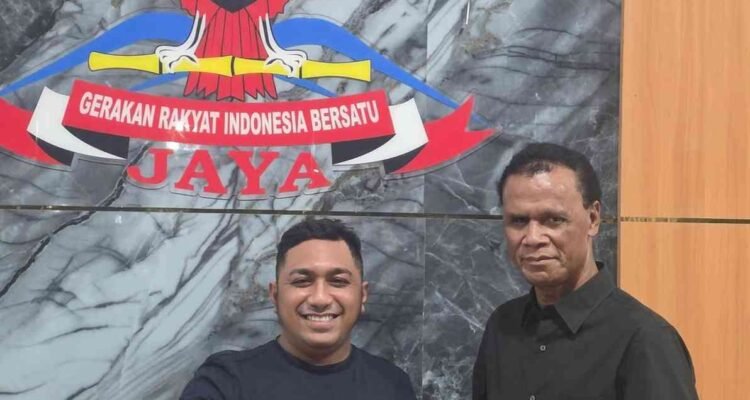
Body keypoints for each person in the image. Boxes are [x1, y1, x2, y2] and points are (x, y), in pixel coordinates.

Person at [473, 143, 699, 400]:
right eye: (519, 221)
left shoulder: (645, 340)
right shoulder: (502, 326)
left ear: (593, 219)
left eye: (553, 220)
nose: (533, 237)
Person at [181, 218, 416, 400]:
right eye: (302, 281)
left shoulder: (391, 384)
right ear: (275, 295)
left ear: (362, 295)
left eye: (338, 281)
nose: (320, 298)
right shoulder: (225, 381)